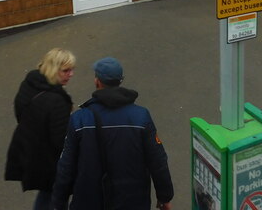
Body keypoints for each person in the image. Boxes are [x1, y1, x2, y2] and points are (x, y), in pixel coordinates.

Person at [51, 57, 173, 210]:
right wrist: (164, 197)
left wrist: (58, 203)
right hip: (133, 201)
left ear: (97, 81)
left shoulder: (80, 119)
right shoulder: (141, 116)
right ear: (120, 80)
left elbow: (66, 166)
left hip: (89, 201)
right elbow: (158, 161)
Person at [5, 48, 76, 210]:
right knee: (57, 196)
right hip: (50, 161)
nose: (71, 74)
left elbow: (20, 112)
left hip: (31, 151)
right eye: (66, 70)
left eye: (72, 70)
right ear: (53, 69)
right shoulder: (57, 101)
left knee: (47, 194)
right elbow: (61, 141)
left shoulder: (29, 83)